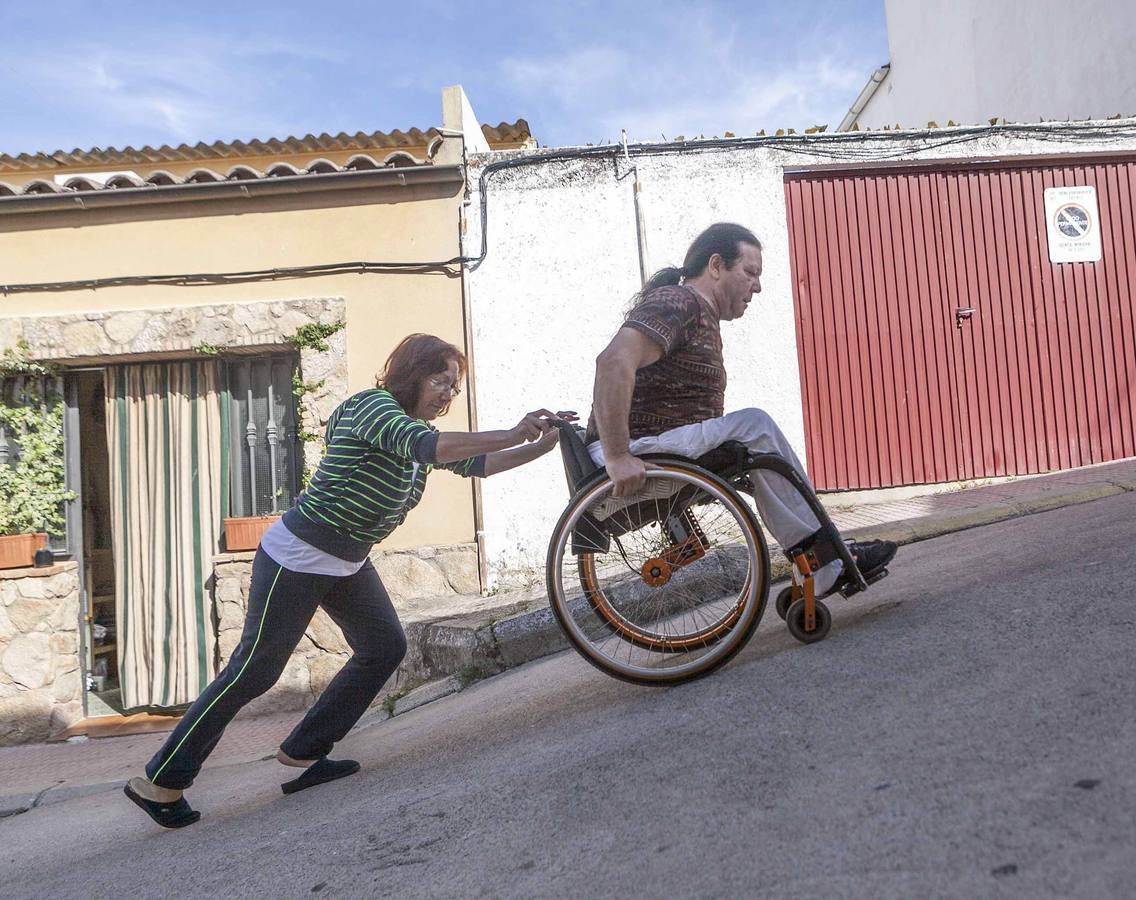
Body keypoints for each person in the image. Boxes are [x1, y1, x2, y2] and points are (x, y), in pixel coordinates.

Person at [125, 333, 573, 828]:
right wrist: (514, 431)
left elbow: (479, 464)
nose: (447, 393)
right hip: (298, 555)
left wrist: (544, 444)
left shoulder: (415, 431)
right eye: (439, 380)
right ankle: (161, 780)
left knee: (383, 646)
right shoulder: (373, 409)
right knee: (255, 670)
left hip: (347, 559)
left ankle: (305, 750)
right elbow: (430, 446)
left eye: (453, 386)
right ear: (411, 375)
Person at [587, 221, 897, 596]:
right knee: (755, 425)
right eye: (750, 272)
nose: (758, 286)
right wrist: (618, 456)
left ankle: (821, 560)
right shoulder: (679, 302)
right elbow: (612, 362)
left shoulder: (698, 315)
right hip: (635, 449)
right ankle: (827, 562)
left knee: (759, 451)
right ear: (716, 265)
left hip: (655, 444)